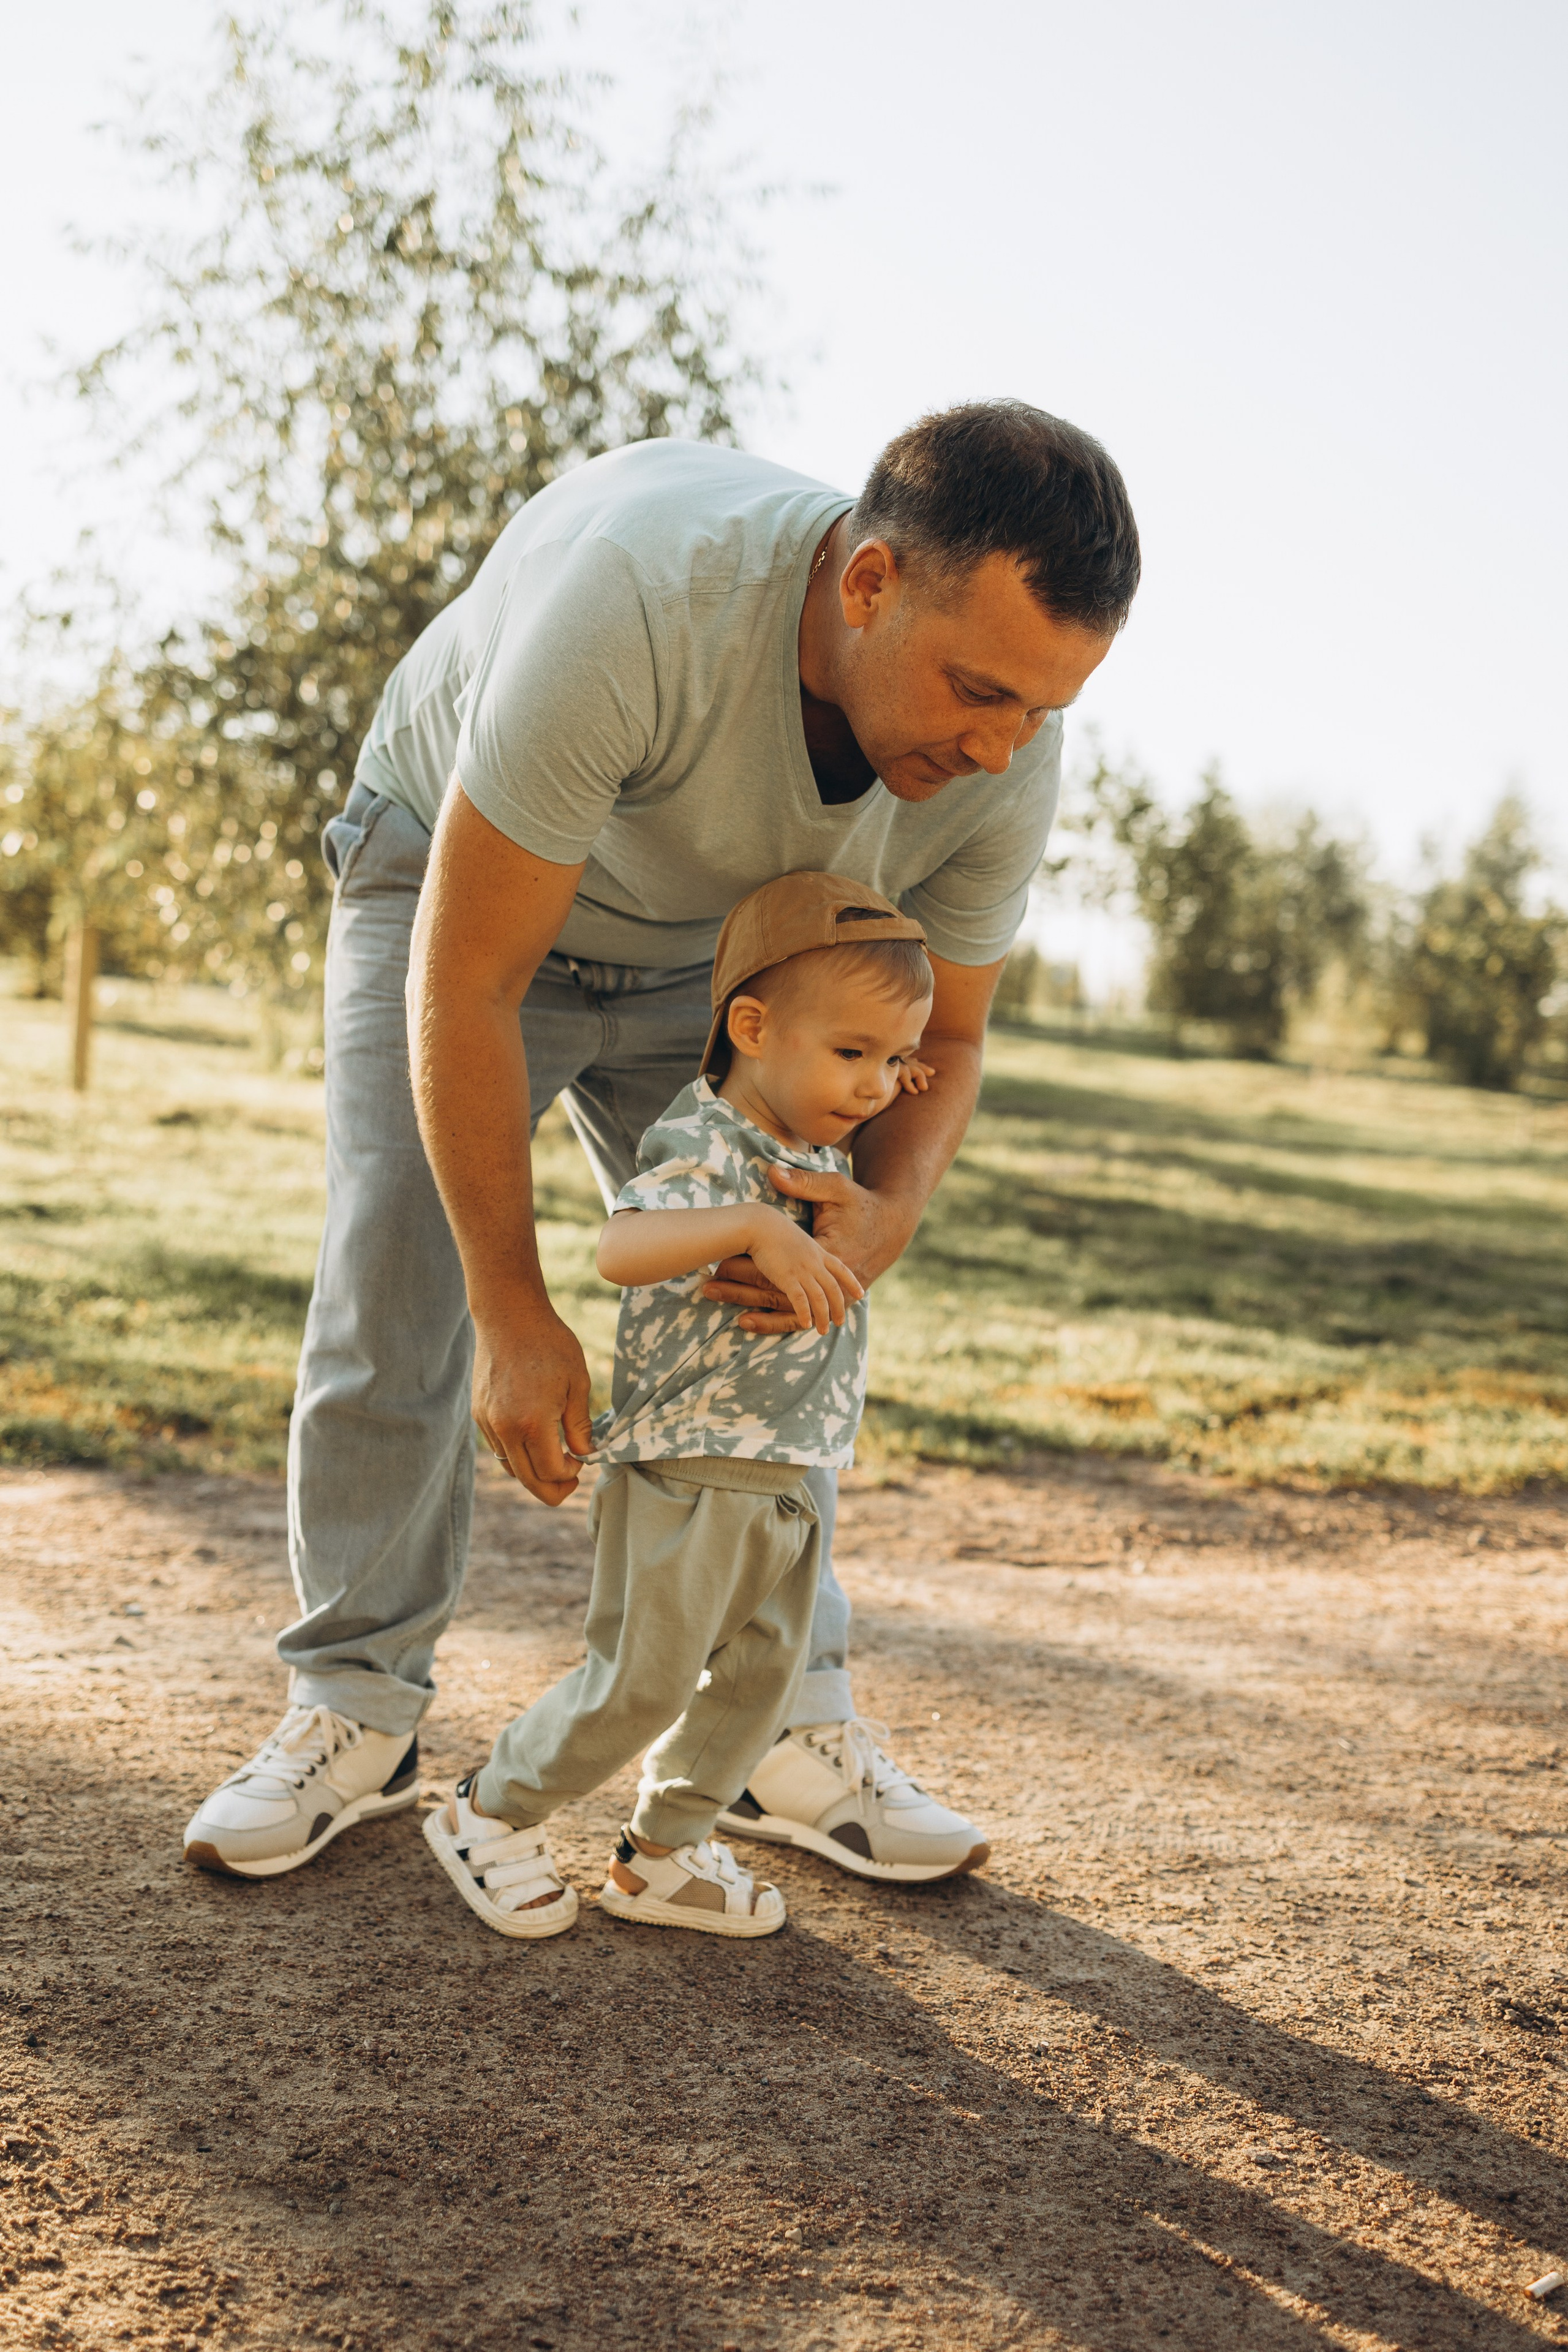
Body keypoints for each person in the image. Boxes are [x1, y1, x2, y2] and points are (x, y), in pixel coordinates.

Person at [182, 397, 1139, 1891]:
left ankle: (777, 1728)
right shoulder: (643, 598)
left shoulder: (1004, 754)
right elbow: (473, 979)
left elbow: (941, 1039)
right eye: (976, 690)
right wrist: (516, 1309)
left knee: (786, 1306)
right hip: (453, 880)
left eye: (1041, 706)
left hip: (720, 952)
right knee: (402, 1265)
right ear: (868, 584)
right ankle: (353, 1710)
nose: (1002, 741)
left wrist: (874, 1223)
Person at [425, 873, 933, 1939]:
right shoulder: (705, 1143)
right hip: (690, 1469)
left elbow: (878, 1074)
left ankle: (660, 1858)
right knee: (642, 1686)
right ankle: (487, 1813)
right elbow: (621, 1248)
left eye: (895, 1061)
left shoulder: (814, 1139)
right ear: (751, 1027)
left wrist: (878, 1063)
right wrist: (752, 1224)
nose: (878, 1086)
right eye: (854, 1054)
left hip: (792, 1473)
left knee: (760, 1681)